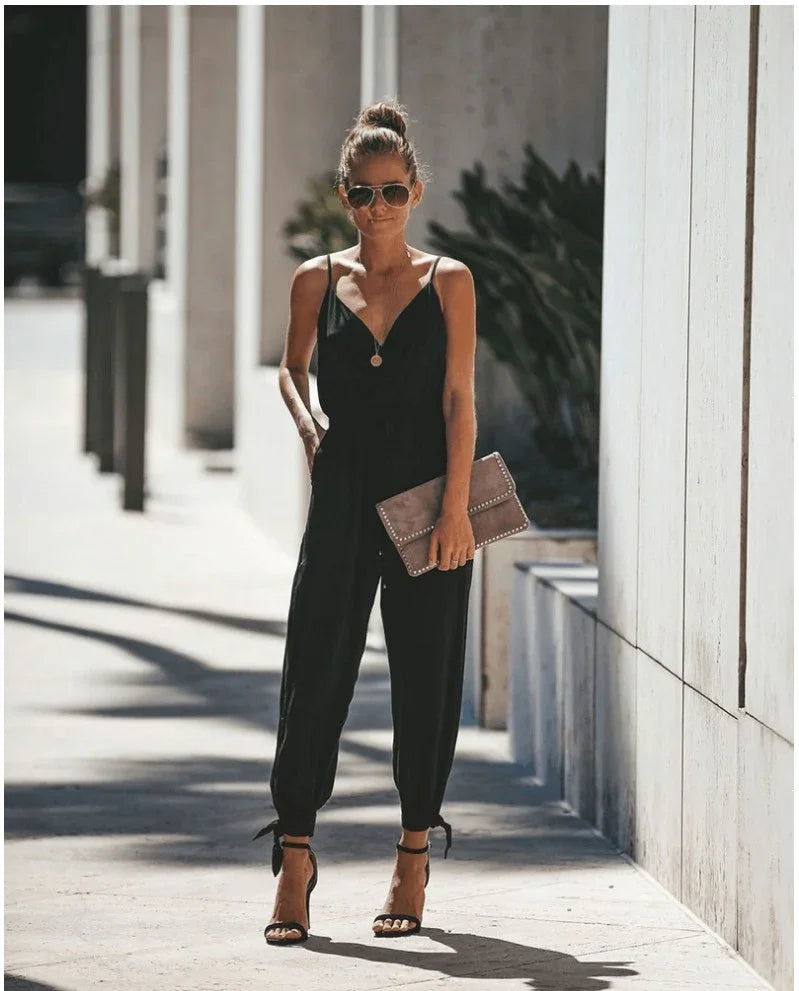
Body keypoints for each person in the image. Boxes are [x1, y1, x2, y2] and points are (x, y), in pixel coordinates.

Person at [252, 98, 478, 944]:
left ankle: (412, 854)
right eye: (360, 192)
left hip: (428, 497)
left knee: (425, 674)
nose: (375, 206)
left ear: (414, 191)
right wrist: (309, 426)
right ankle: (297, 855)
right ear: (342, 196)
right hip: (343, 490)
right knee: (315, 668)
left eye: (390, 191)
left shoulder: (448, 280)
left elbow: (459, 399)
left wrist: (455, 508)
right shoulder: (315, 278)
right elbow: (290, 366)